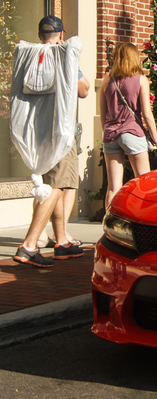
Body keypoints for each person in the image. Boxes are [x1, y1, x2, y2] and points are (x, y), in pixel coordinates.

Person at [13, 15, 89, 268]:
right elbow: (83, 90)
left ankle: (61, 242)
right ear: (61, 35)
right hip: (60, 131)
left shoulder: (28, 57)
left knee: (52, 182)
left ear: (39, 36)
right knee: (58, 185)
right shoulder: (62, 56)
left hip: (34, 131)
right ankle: (29, 245)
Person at [99, 42, 157, 209]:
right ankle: (143, 221)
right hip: (132, 132)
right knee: (144, 181)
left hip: (110, 134)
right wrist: (156, 141)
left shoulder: (106, 82)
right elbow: (147, 114)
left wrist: (107, 132)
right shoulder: (141, 80)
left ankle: (110, 224)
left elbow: (103, 115)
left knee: (113, 186)